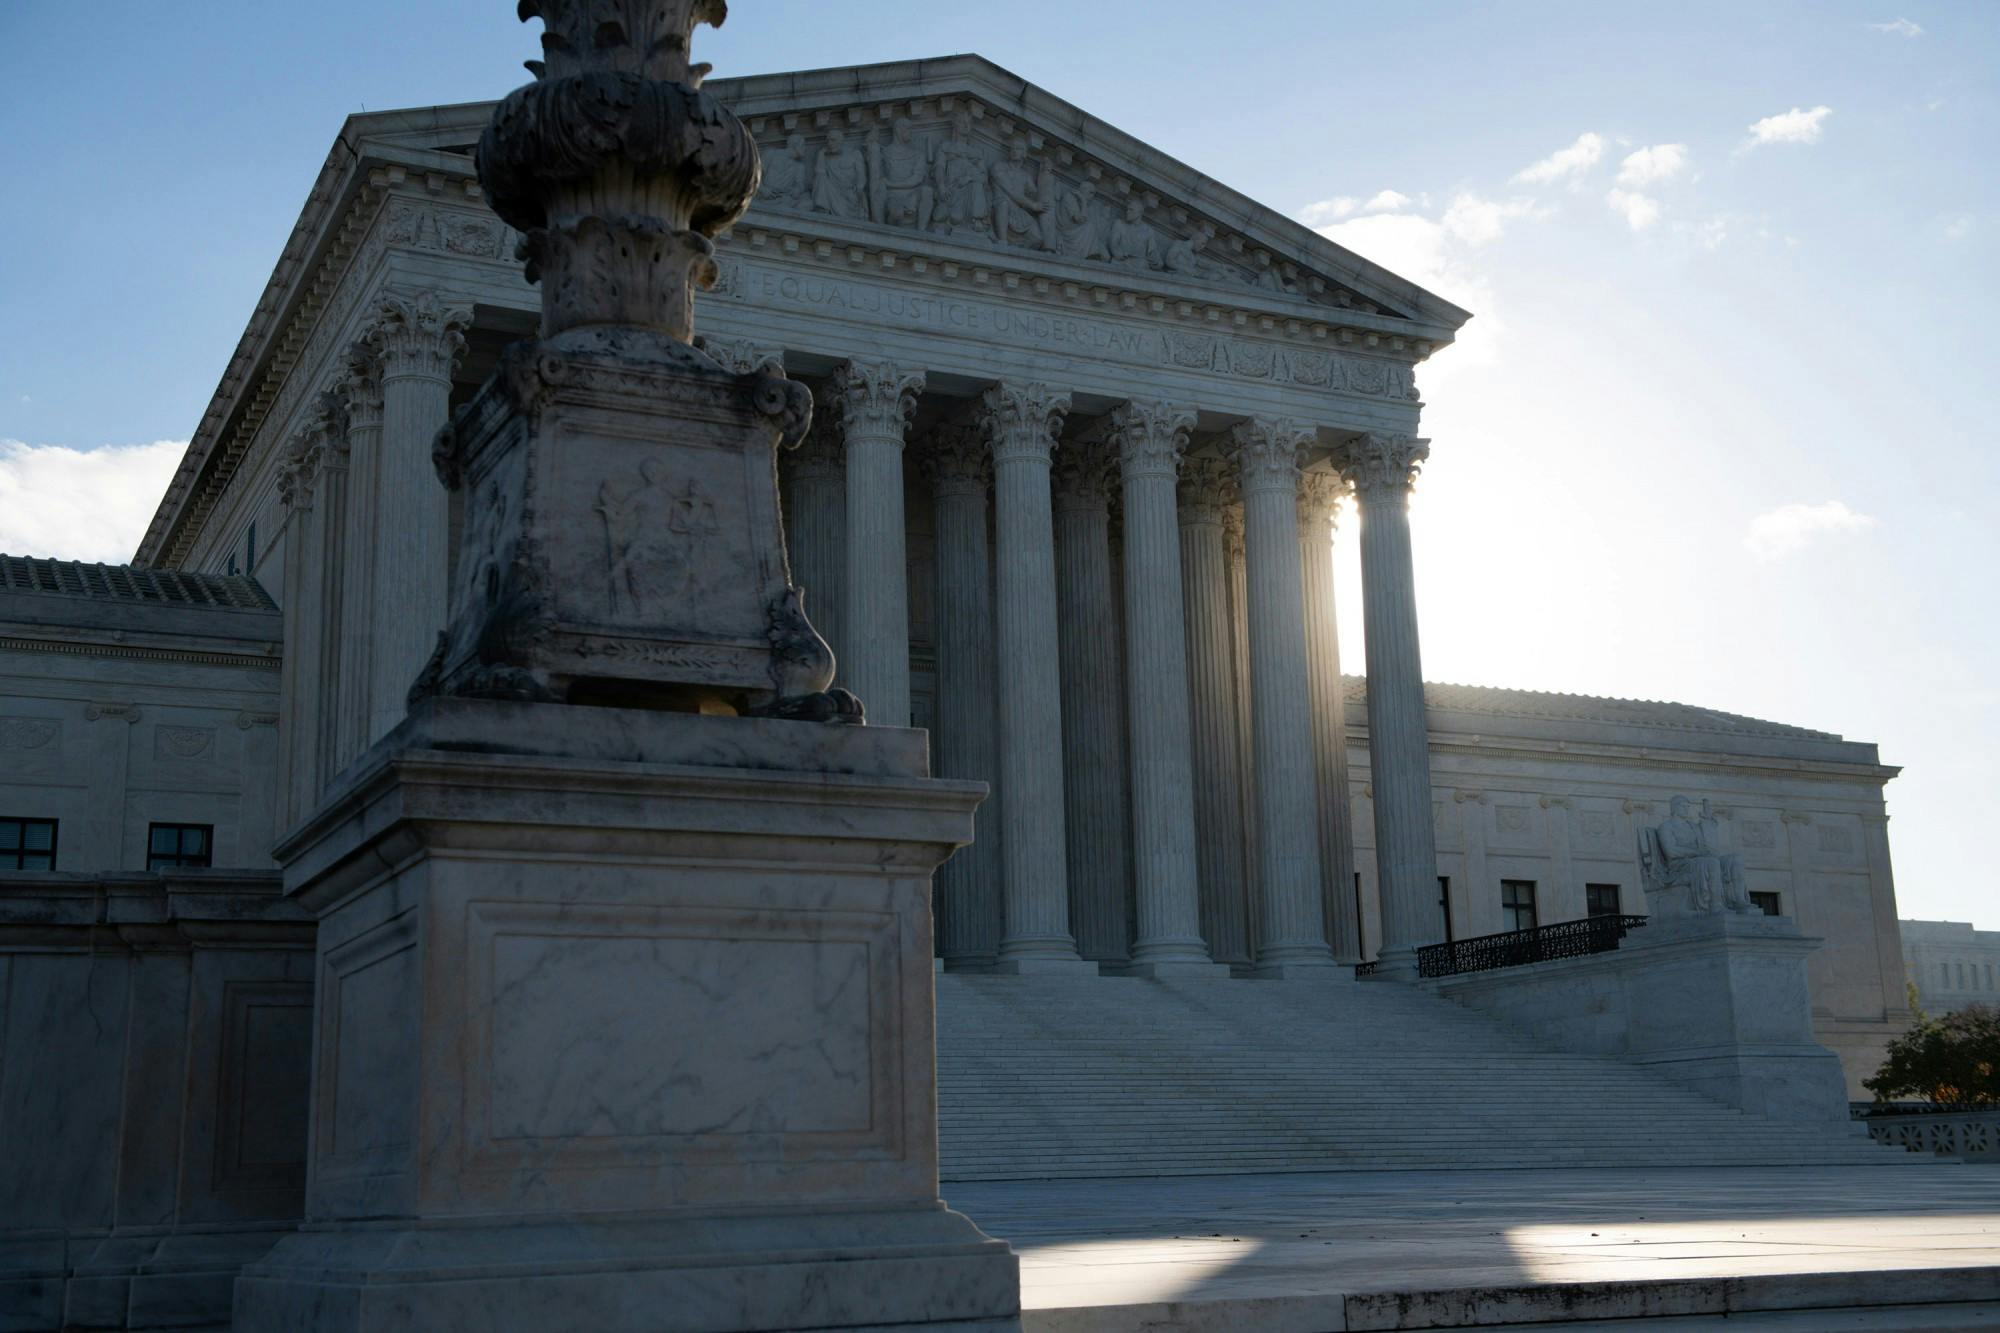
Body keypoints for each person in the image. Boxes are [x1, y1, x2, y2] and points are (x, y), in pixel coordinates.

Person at [811, 129, 869, 220]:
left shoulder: (854, 154)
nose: (829, 143)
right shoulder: (826, 158)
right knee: (822, 178)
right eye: (828, 140)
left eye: (833, 140)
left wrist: (860, 188)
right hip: (831, 193)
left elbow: (861, 176)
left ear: (841, 140)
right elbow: (819, 175)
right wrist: (820, 154)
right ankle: (822, 208)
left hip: (850, 194)